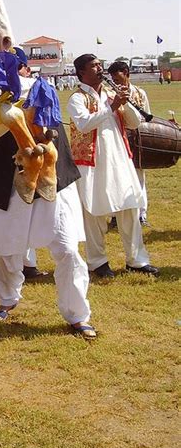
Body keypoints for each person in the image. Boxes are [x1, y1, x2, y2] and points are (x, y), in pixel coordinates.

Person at [0, 48, 96, 339]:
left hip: (52, 183)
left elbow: (50, 130)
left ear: (22, 68)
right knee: (7, 251)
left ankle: (77, 315)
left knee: (67, 250)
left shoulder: (42, 90)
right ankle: (7, 300)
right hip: (11, 184)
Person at [67, 54, 159, 279]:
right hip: (92, 163)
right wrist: (111, 106)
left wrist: (124, 104)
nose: (100, 68)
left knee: (130, 207)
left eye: (100, 64)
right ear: (82, 72)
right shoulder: (77, 98)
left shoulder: (111, 93)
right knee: (94, 211)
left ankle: (136, 260)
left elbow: (135, 123)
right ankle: (97, 262)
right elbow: (84, 123)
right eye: (94, 66)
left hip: (119, 158)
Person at [107, 60, 151, 225]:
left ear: (127, 74)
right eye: (113, 79)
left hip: (137, 142)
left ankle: (141, 215)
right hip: (118, 141)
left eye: (118, 79)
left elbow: (147, 119)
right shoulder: (109, 94)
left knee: (139, 178)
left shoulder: (140, 93)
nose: (115, 82)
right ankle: (115, 217)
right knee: (115, 178)